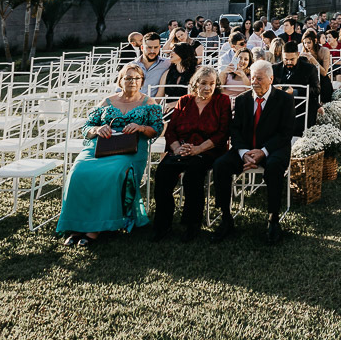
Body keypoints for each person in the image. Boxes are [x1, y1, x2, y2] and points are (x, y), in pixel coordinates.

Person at [57, 63, 163, 247]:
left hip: (131, 150)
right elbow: (86, 128)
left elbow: (157, 130)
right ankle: (76, 226)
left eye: (137, 78)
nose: (132, 81)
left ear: (142, 82)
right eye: (128, 78)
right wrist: (98, 128)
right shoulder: (107, 101)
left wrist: (141, 127)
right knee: (78, 172)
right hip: (100, 147)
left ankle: (95, 228)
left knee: (112, 174)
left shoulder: (149, 103)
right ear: (120, 80)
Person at [211, 59, 296, 245]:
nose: (254, 82)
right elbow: (235, 129)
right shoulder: (242, 100)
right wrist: (244, 153)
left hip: (273, 149)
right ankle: (226, 217)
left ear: (271, 79)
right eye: (252, 78)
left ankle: (273, 219)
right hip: (245, 149)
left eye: (259, 78)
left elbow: (286, 132)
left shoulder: (285, 100)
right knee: (221, 165)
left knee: (274, 167)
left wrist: (263, 152)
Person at [152, 67, 231, 242]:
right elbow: (171, 130)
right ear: (195, 84)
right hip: (181, 149)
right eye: (203, 83)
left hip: (209, 151)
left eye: (211, 83)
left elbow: (222, 133)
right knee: (163, 173)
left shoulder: (222, 101)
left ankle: (191, 225)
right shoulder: (184, 101)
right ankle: (163, 224)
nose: (208, 87)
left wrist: (199, 149)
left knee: (193, 176)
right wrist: (176, 148)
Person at [273, 42, 321, 132]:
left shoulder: (309, 69)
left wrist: (295, 92)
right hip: (280, 108)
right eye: (285, 59)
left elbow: (316, 90)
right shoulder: (275, 69)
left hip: (303, 108)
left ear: (298, 55)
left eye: (292, 59)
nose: (289, 62)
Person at [158, 42, 199, 106]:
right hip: (168, 110)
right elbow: (159, 96)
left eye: (174, 51)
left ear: (183, 53)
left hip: (189, 109)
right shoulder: (167, 73)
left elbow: (198, 97)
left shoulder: (196, 73)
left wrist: (176, 104)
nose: (171, 53)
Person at [135, 32, 171, 97]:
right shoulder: (131, 66)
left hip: (154, 104)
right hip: (133, 104)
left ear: (159, 47)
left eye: (156, 47)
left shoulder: (167, 63)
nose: (152, 51)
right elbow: (119, 91)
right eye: (149, 47)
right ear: (142, 48)